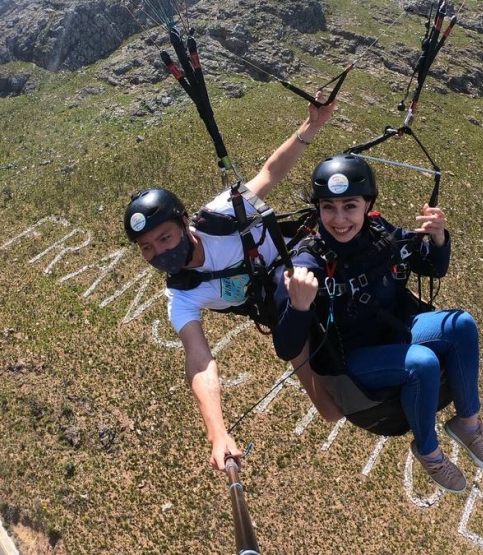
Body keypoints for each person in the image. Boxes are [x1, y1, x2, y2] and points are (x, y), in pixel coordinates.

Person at [123, 95, 337, 471]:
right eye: (147, 248)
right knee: (328, 409)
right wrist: (217, 432)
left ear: (184, 223)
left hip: (302, 263)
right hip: (281, 310)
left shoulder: (220, 217)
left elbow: (270, 173)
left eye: (165, 238)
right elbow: (199, 360)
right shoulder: (182, 294)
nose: (160, 252)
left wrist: (312, 126)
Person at [272, 153, 483, 493]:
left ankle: (468, 424)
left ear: (368, 205)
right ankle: (428, 451)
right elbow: (287, 347)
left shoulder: (379, 231)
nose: (339, 219)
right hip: (352, 360)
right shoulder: (309, 262)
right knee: (421, 363)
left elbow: (430, 266)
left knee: (461, 324)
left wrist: (438, 239)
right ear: (318, 209)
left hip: (392, 333)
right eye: (328, 208)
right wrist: (299, 305)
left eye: (350, 206)